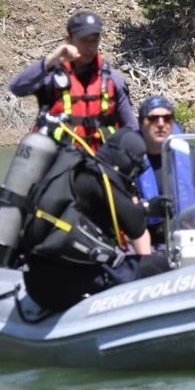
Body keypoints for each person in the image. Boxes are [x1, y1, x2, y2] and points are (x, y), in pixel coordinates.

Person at [19, 129, 170, 311]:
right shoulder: (102, 180)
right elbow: (136, 226)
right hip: (65, 287)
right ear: (125, 159)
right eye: (136, 167)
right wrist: (149, 208)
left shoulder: (77, 170)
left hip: (37, 282)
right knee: (158, 264)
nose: (134, 174)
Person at [9, 11, 138, 151]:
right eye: (83, 40)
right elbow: (17, 87)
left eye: (94, 40)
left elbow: (131, 127)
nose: (89, 47)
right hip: (58, 162)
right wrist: (51, 60)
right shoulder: (51, 76)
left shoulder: (113, 79)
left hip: (99, 162)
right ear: (68, 40)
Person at [136, 95, 195, 246]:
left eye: (167, 118)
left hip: (186, 240)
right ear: (141, 124)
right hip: (144, 242)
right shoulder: (129, 161)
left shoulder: (193, 155)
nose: (160, 124)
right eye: (153, 118)